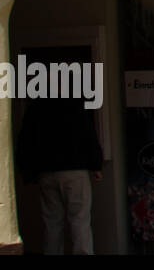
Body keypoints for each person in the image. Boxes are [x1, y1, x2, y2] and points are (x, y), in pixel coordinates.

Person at [16, 97, 103, 255]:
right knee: (80, 221)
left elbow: (25, 140)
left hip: (46, 170)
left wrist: (28, 171)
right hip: (75, 169)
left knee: (52, 224)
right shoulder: (76, 102)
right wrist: (96, 164)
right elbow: (87, 132)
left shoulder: (36, 105)